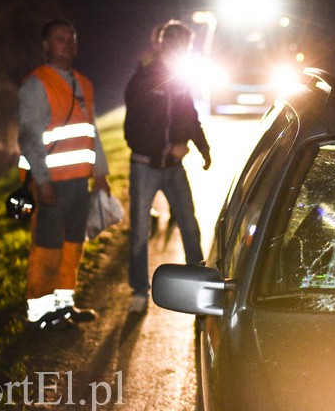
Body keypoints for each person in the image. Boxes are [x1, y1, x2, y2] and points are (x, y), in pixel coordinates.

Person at [18, 18, 111, 330]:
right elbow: (30, 137)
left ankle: (64, 304)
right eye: (60, 39)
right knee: (47, 244)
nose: (68, 44)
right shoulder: (36, 83)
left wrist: (100, 171)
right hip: (51, 183)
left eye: (71, 39)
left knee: (73, 241)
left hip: (78, 181)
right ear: (46, 46)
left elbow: (91, 131)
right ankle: (40, 313)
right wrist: (42, 182)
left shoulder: (84, 83)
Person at [123, 19, 212, 313]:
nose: (183, 51)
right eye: (179, 46)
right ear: (164, 44)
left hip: (174, 167)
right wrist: (166, 148)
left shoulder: (182, 79)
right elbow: (133, 129)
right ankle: (139, 291)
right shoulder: (143, 80)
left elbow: (190, 117)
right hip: (145, 167)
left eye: (186, 47)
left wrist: (203, 148)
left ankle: (201, 288)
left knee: (189, 224)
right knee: (138, 232)